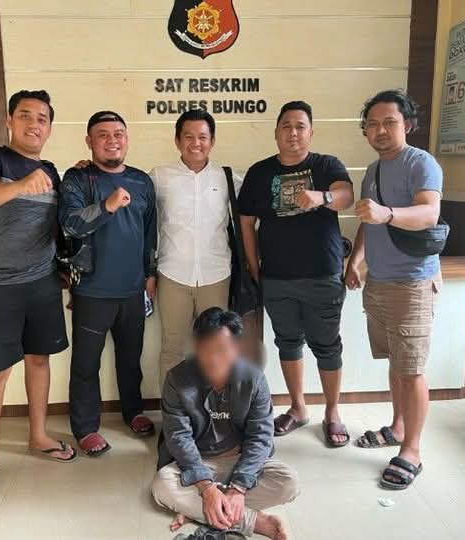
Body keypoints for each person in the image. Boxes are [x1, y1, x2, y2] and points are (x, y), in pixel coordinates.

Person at [0, 90, 74, 504]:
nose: (34, 124)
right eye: (25, 115)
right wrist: (23, 184)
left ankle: (38, 435)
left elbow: (62, 218)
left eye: (42, 118)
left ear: (49, 127)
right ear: (10, 120)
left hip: (41, 280)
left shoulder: (52, 171)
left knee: (39, 359)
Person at [237, 101, 354, 445]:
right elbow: (246, 222)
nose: (293, 132)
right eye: (286, 126)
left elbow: (346, 196)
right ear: (276, 132)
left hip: (322, 274)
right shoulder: (260, 172)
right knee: (287, 343)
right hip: (277, 276)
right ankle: (298, 408)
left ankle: (332, 412)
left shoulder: (326, 165)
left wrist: (322, 196)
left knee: (327, 346)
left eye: (300, 126)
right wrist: (254, 267)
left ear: (311, 132)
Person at [345, 89, 443, 489]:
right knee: (395, 361)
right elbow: (367, 221)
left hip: (412, 281)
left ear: (408, 125)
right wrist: (355, 260)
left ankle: (412, 450)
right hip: (380, 281)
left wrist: (387, 213)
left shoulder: (421, 163)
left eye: (389, 122)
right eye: (373, 124)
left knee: (412, 368)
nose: (380, 130)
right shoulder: (372, 170)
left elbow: (429, 212)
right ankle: (399, 427)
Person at [59, 111, 157, 457]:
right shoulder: (77, 178)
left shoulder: (142, 181)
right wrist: (107, 206)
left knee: (131, 359)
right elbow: (70, 223)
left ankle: (133, 411)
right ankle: (85, 428)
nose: (112, 140)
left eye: (118, 134)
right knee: (86, 364)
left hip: (133, 289)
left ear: (127, 139)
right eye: (102, 134)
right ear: (89, 141)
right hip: (92, 289)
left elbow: (150, 232)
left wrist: (150, 274)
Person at [152, 308, 298, 540]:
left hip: (238, 458)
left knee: (288, 482)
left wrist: (238, 487)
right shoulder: (176, 379)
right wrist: (206, 488)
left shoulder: (254, 379)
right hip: (197, 462)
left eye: (221, 349)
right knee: (162, 486)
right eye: (205, 349)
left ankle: (201, 511)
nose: (213, 358)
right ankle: (253, 521)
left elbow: (260, 436)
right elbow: (179, 437)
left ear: (236, 349)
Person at [149, 109, 243, 388]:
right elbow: (134, 203)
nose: (196, 143)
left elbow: (255, 211)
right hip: (173, 275)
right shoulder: (159, 177)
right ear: (177, 141)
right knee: (172, 349)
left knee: (215, 348)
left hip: (216, 275)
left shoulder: (227, 178)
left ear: (212, 141)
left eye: (203, 137)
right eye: (188, 137)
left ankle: (213, 409)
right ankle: (173, 411)